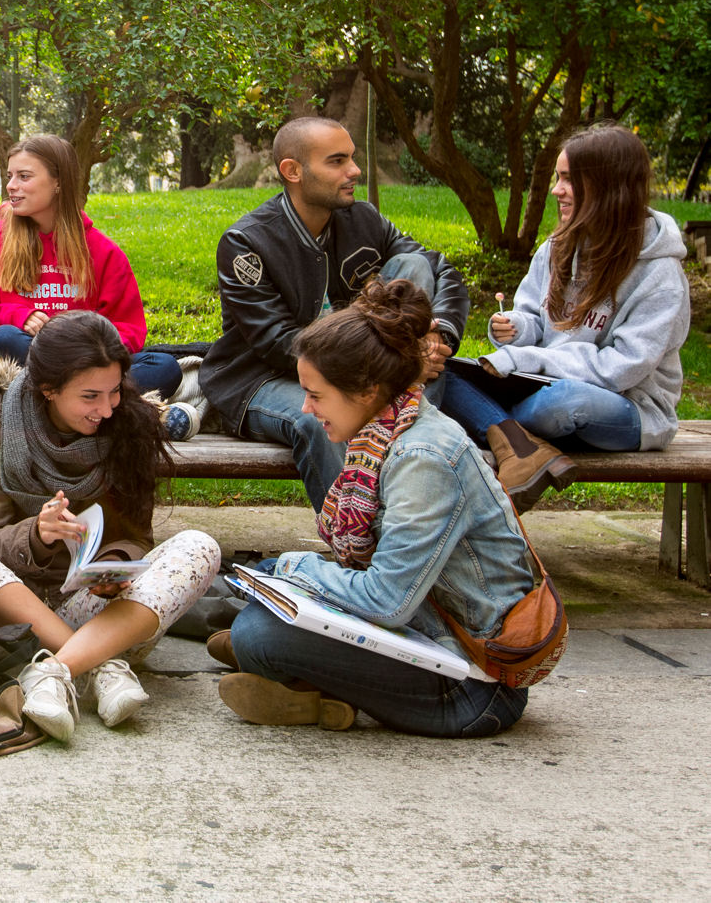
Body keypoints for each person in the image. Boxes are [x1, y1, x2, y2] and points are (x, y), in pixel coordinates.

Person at [215, 279, 535, 738]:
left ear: (366, 390)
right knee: (267, 595)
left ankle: (292, 672)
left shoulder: (423, 460)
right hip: (427, 631)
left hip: (473, 687)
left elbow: (386, 601)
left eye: (316, 395)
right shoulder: (385, 430)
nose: (305, 408)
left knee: (258, 631)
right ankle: (306, 682)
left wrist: (292, 566)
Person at [0, 310, 221, 740]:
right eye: (89, 396)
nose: (106, 408)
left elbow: (136, 538)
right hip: (17, 612)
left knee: (199, 546)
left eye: (114, 390)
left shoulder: (131, 423)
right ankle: (102, 667)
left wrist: (115, 569)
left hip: (99, 611)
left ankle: (52, 671)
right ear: (48, 389)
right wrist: (37, 534)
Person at [200, 116, 470, 511]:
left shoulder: (363, 218)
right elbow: (278, 342)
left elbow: (440, 270)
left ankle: (411, 511)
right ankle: (355, 536)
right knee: (318, 418)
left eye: (352, 158)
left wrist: (436, 335)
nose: (355, 171)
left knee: (412, 266)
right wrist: (391, 361)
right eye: (337, 161)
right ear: (293, 171)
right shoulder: (246, 242)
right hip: (264, 378)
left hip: (363, 368)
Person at [442, 124, 690, 510]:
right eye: (558, 178)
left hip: (627, 406)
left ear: (610, 185)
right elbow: (534, 317)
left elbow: (623, 368)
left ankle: (495, 430)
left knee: (565, 401)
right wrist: (516, 329)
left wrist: (530, 359)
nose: (556, 190)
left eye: (569, 179)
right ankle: (518, 444)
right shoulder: (557, 246)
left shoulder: (660, 273)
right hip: (539, 387)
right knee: (439, 370)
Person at [0, 134, 186, 405]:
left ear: (58, 182)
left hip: (82, 364)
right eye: (10, 176)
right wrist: (15, 316)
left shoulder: (102, 251)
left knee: (163, 367)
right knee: (6, 339)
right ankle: (82, 402)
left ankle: (59, 405)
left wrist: (82, 347)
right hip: (19, 363)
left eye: (24, 176)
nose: (11, 185)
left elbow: (129, 330)